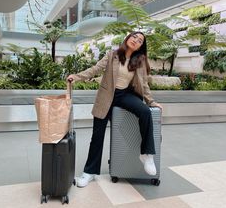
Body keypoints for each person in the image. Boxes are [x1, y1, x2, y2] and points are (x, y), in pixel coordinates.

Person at [67, 31, 162, 188]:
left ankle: (147, 155)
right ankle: (89, 173)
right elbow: (95, 69)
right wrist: (76, 77)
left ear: (141, 46)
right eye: (134, 37)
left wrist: (151, 101)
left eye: (140, 41)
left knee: (145, 112)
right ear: (128, 38)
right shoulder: (113, 55)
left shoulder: (140, 61)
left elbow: (144, 84)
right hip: (107, 96)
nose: (136, 41)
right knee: (97, 136)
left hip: (125, 95)